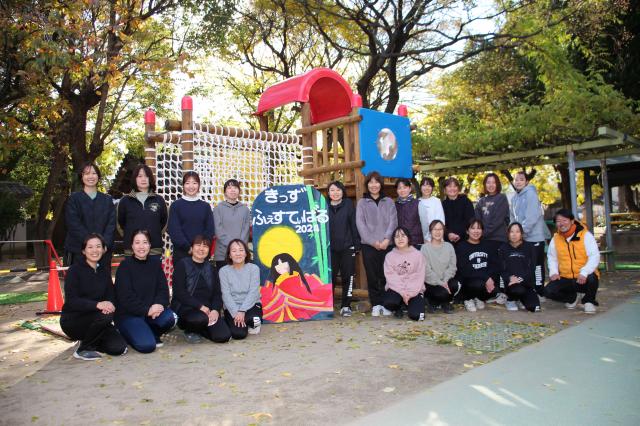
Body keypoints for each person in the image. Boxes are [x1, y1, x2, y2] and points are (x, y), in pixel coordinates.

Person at [60, 233, 127, 361]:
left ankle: (91, 340)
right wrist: (98, 305)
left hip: (100, 320)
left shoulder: (104, 271)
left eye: (98, 246)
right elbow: (72, 301)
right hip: (74, 320)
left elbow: (111, 294)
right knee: (105, 315)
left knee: (118, 348)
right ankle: (84, 349)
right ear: (83, 251)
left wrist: (110, 304)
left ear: (104, 249)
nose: (94, 250)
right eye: (90, 247)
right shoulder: (74, 271)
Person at [114, 230, 175, 353]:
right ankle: (127, 332)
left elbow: (163, 290)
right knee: (147, 346)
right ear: (132, 246)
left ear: (150, 245)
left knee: (169, 318)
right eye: (137, 243)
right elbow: (125, 298)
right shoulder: (124, 267)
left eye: (145, 242)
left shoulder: (155, 264)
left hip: (151, 313)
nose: (141, 246)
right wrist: (147, 310)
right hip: (129, 315)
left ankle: (150, 332)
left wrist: (158, 304)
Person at [171, 235, 231, 344]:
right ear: (192, 248)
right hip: (187, 308)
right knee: (199, 319)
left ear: (209, 250)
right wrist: (200, 306)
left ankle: (201, 330)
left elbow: (217, 294)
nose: (201, 249)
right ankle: (190, 330)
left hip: (208, 310)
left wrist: (215, 310)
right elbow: (180, 292)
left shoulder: (211, 269)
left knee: (224, 336)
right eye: (198, 245)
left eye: (205, 246)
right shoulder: (182, 264)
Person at [356, 171, 398, 317]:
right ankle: (376, 304)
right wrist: (373, 242)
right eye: (371, 182)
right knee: (372, 276)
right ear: (367, 185)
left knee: (386, 275)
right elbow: (361, 225)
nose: (374, 185)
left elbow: (393, 222)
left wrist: (387, 239)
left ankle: (386, 304)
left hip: (387, 245)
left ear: (381, 184)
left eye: (377, 182)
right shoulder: (362, 203)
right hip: (369, 246)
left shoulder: (389, 201)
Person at [545, 209, 600, 314]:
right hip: (566, 277)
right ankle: (572, 297)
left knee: (592, 277)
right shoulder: (555, 239)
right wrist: (554, 272)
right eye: (558, 221)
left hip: (583, 276)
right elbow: (552, 257)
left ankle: (588, 301)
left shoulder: (585, 235)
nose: (561, 224)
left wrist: (584, 272)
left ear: (572, 221)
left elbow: (594, 256)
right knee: (548, 291)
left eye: (564, 220)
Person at [64, 163, 116, 267]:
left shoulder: (107, 200)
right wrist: (90, 245)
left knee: (102, 277)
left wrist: (103, 245)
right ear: (81, 176)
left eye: (94, 173)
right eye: (87, 174)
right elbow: (73, 224)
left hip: (103, 252)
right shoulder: (74, 199)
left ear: (98, 176)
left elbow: (111, 225)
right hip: (79, 251)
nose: (90, 176)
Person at [510, 170, 549, 298]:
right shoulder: (514, 198)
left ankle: (539, 291)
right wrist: (513, 232)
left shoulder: (531, 194)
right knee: (525, 266)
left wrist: (521, 233)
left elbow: (532, 217)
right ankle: (528, 290)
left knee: (537, 266)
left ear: (527, 182)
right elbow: (512, 218)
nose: (518, 182)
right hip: (522, 238)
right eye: (516, 179)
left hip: (534, 238)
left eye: (521, 179)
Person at [261, 252, 333, 322]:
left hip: (295, 306)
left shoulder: (295, 278)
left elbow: (298, 294)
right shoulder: (278, 281)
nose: (280, 266)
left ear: (290, 263)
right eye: (277, 264)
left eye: (283, 262)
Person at [117, 165, 168, 258]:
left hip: (154, 250)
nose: (143, 179)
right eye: (140, 176)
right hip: (131, 251)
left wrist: (154, 233)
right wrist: (130, 236)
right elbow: (120, 223)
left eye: (146, 176)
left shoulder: (159, 200)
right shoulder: (125, 201)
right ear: (135, 179)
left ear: (150, 178)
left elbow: (164, 223)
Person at [475, 172, 510, 304]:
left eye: (493, 182)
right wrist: (479, 232)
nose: (491, 185)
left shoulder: (501, 198)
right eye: (488, 182)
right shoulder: (481, 201)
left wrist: (482, 233)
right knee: (487, 267)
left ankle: (503, 293)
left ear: (497, 184)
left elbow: (498, 220)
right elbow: (477, 220)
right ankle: (491, 293)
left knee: (499, 266)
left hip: (498, 239)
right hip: (485, 240)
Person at [327, 181, 360, 317]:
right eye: (332, 190)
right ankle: (328, 306)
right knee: (330, 278)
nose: (335, 193)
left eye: (338, 190)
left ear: (342, 191)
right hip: (330, 249)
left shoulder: (348, 204)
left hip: (347, 247)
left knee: (348, 277)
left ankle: (346, 306)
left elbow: (353, 224)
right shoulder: (323, 206)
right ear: (328, 192)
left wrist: (356, 245)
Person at [219, 239, 263, 338]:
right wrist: (236, 312)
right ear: (229, 255)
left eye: (241, 250)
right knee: (238, 334)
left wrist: (242, 310)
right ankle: (231, 320)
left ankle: (251, 322)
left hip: (252, 304)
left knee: (254, 320)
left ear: (246, 253)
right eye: (234, 251)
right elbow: (226, 294)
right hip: (232, 306)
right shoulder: (223, 271)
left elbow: (253, 292)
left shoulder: (254, 269)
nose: (238, 253)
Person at [168, 171, 215, 264]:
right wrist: (188, 248)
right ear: (183, 185)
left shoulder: (205, 206)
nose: (191, 186)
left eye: (194, 183)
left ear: (199, 185)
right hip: (181, 254)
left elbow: (209, 230)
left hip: (201, 254)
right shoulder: (175, 206)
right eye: (187, 183)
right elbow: (174, 230)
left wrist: (200, 248)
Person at [455, 219, 499, 312]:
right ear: (467, 231)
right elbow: (465, 270)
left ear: (482, 231)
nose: (476, 231)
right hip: (468, 282)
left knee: (495, 289)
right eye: (473, 228)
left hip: (484, 279)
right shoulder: (461, 246)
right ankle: (468, 298)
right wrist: (486, 278)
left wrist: (490, 278)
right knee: (478, 284)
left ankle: (478, 298)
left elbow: (494, 265)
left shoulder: (488, 245)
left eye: (479, 228)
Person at [382, 227, 426, 321]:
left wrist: (410, 293)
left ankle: (410, 304)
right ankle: (399, 307)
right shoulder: (389, 256)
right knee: (389, 302)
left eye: (403, 236)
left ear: (408, 238)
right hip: (397, 289)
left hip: (414, 290)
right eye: (397, 236)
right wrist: (402, 292)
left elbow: (419, 277)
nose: (400, 239)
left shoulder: (418, 255)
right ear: (393, 240)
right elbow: (391, 278)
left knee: (417, 316)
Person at [498, 223, 541, 312]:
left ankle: (521, 299)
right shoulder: (503, 248)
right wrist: (510, 278)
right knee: (518, 290)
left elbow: (532, 267)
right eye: (512, 232)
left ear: (521, 234)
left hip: (526, 282)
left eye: (517, 232)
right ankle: (510, 300)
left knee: (534, 308)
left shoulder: (529, 247)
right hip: (511, 283)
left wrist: (520, 279)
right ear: (508, 234)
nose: (514, 234)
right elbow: (501, 269)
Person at [421, 220, 460, 314]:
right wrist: (440, 282)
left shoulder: (449, 246)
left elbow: (452, 267)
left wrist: (445, 280)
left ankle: (445, 302)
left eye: (440, 229)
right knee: (441, 292)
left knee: (455, 285)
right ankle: (433, 302)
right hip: (431, 283)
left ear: (444, 231)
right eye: (434, 229)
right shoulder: (425, 248)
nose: (437, 232)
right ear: (430, 231)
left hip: (446, 280)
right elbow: (427, 271)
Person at [213, 179, 251, 270]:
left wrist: (238, 248)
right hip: (223, 254)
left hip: (240, 254)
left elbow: (245, 230)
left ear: (239, 191)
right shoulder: (218, 209)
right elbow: (218, 230)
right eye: (229, 188)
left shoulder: (245, 209)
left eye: (235, 187)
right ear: (225, 192)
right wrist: (232, 246)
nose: (233, 190)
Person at [442, 177, 474, 245]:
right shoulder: (442, 205)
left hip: (465, 239)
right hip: (447, 240)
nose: (452, 188)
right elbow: (442, 223)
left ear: (458, 188)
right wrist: (448, 233)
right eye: (449, 186)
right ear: (445, 189)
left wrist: (460, 234)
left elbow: (470, 220)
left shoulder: (466, 201)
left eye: (455, 186)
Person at [395, 178, 423, 248]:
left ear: (410, 189)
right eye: (399, 188)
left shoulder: (418, 203)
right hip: (400, 243)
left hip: (416, 242)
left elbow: (424, 224)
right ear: (397, 190)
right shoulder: (394, 205)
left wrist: (425, 240)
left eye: (405, 187)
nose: (402, 190)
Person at [418, 176, 445, 243]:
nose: (426, 188)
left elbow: (441, 221)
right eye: (424, 185)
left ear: (432, 188)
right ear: (420, 187)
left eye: (429, 186)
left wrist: (432, 237)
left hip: (435, 238)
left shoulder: (436, 201)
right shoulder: (417, 202)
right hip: (420, 238)